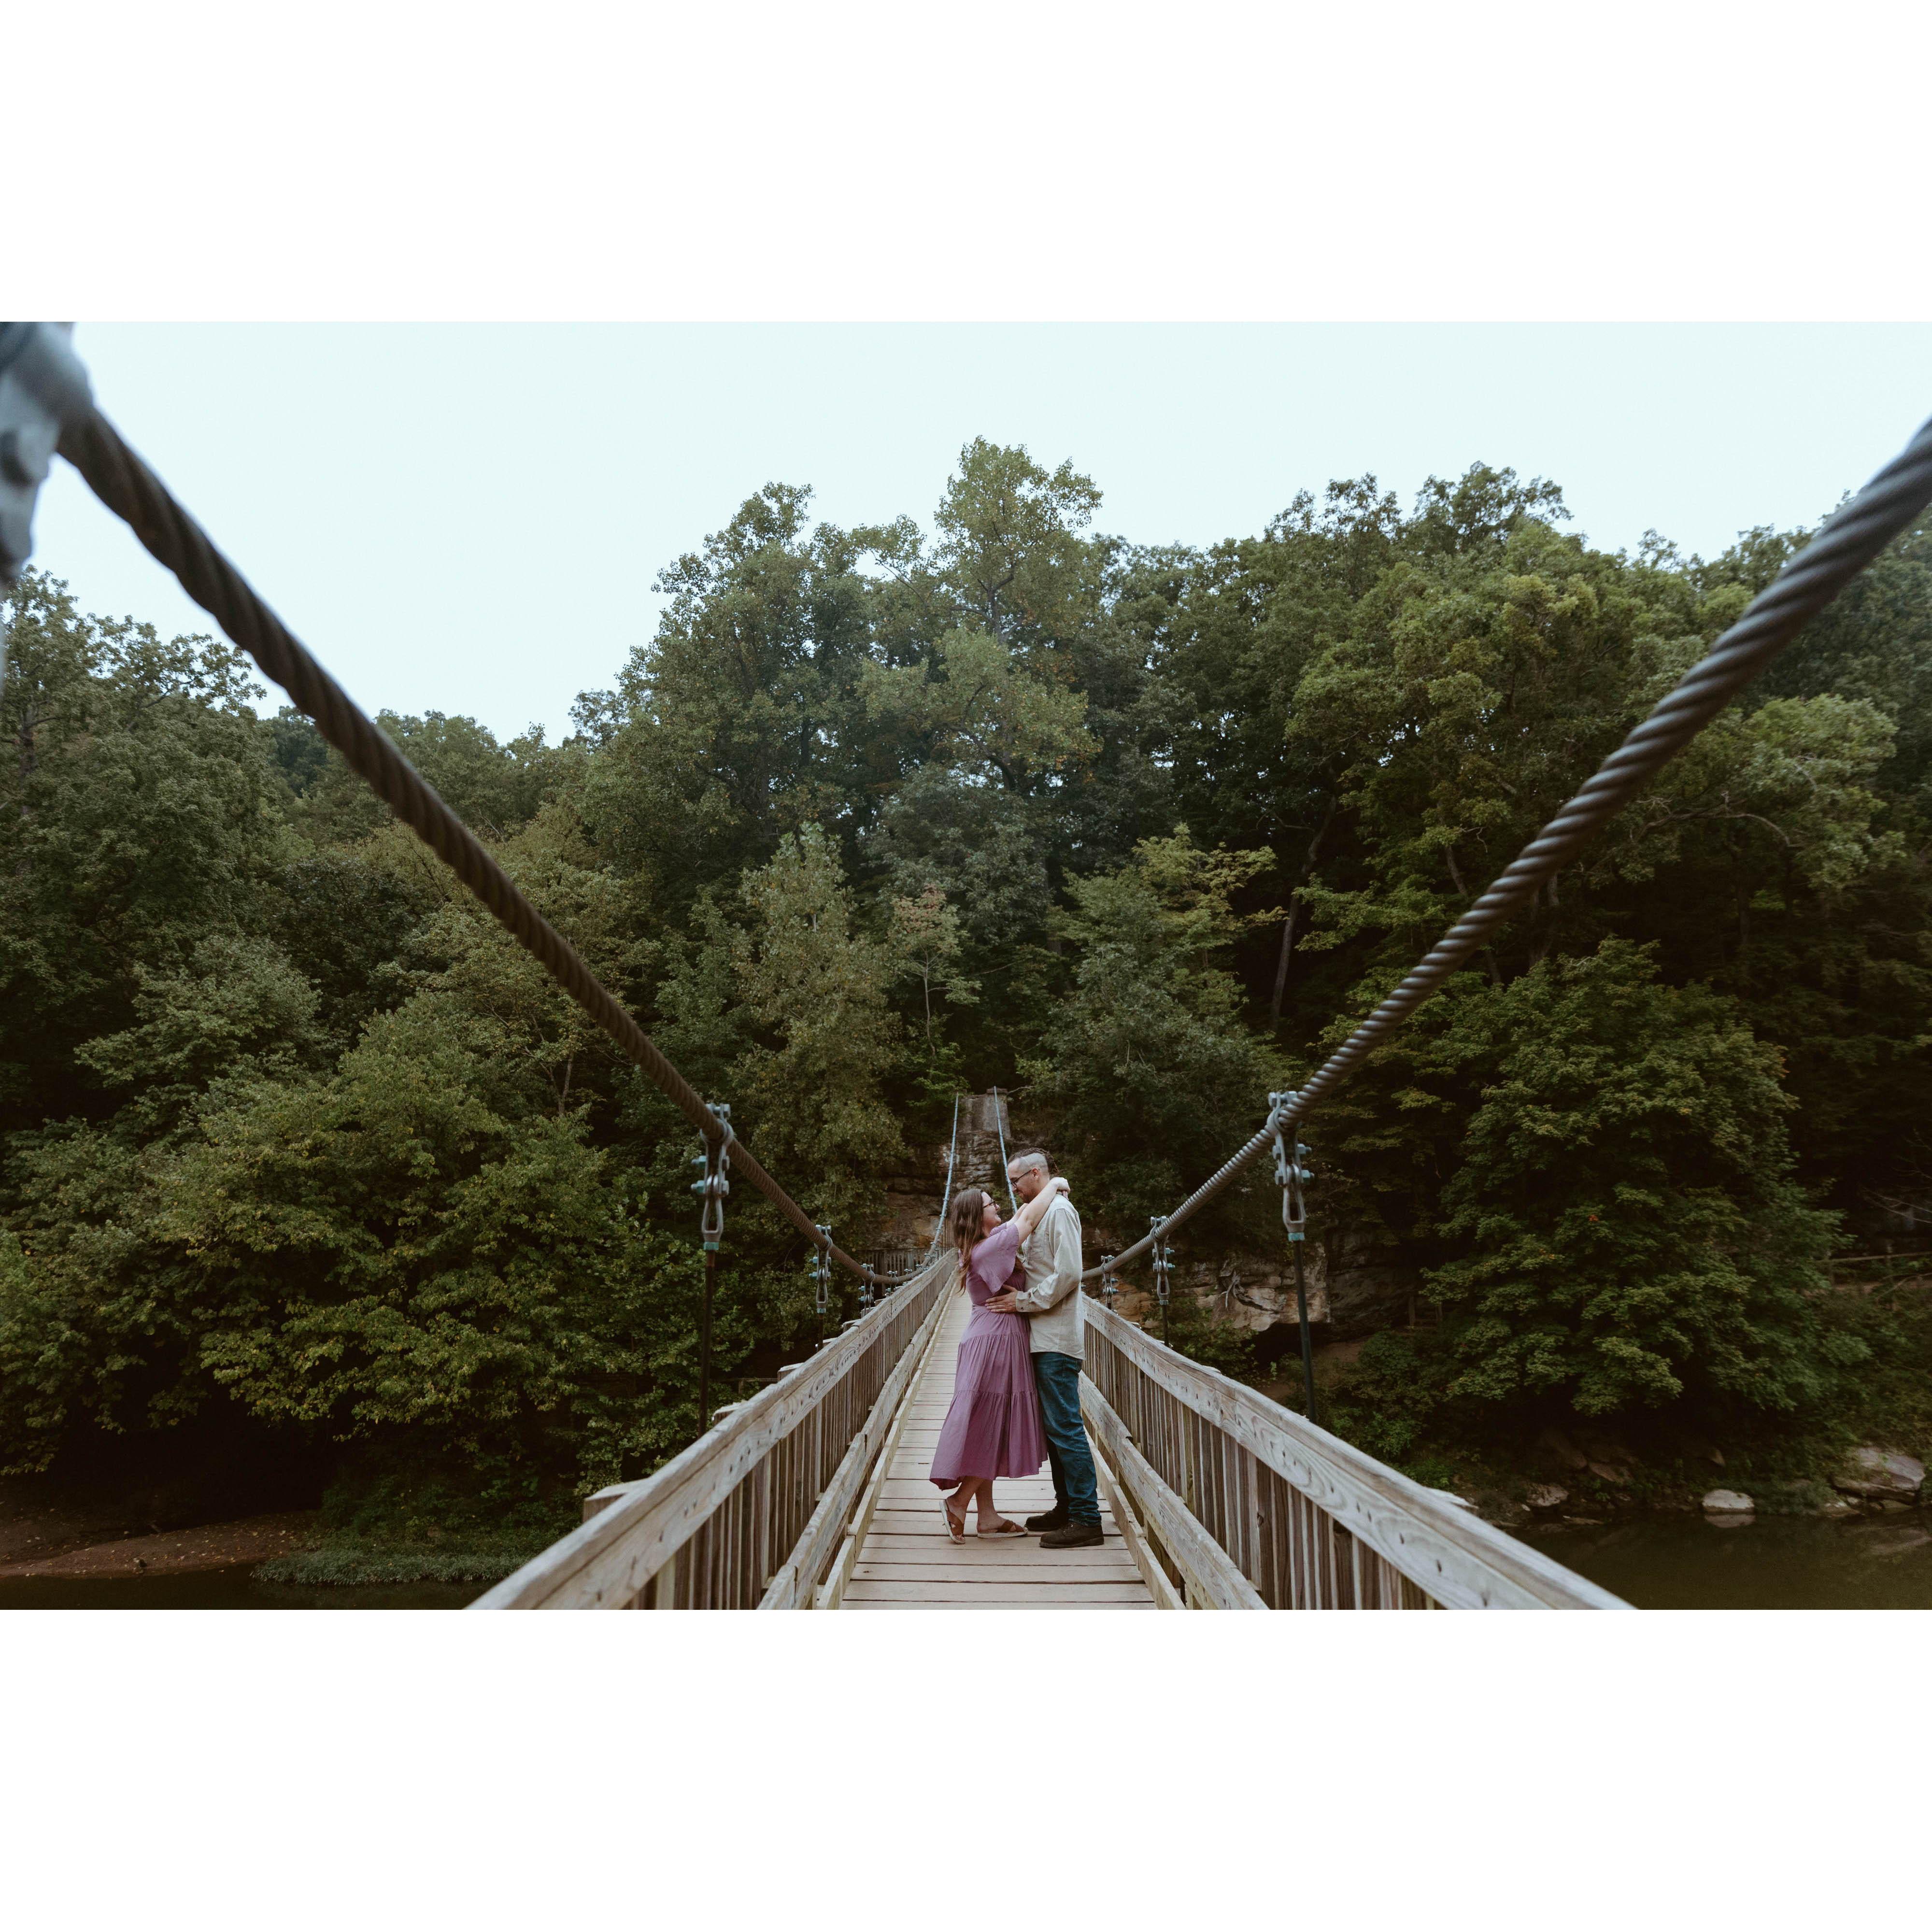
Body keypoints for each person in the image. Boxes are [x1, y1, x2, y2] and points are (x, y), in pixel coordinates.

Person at [929, 1175, 1066, 1541]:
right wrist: (1054, 1185)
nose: (999, 1208)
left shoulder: (982, 1243)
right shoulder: (991, 1249)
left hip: (987, 1336)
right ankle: (958, 1502)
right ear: (979, 1214)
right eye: (992, 1205)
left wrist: (1037, 1194)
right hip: (997, 1342)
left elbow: (1019, 1215)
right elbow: (1027, 1221)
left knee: (986, 1423)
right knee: (993, 1424)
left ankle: (987, 1516)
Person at [986, 1149, 1104, 1548]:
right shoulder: (1042, 1212)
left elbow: (1069, 1274)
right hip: (1042, 1338)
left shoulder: (1060, 1213)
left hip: (1055, 1339)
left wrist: (1022, 1302)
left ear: (1035, 1174)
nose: (1014, 1188)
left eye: (1017, 1180)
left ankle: (1087, 1519)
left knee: (1066, 1427)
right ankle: (1067, 1508)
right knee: (1056, 1430)